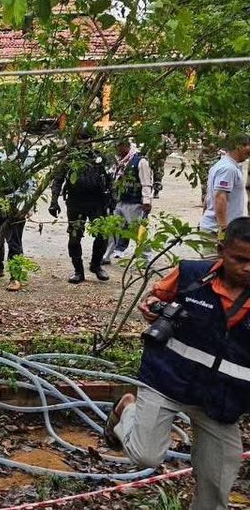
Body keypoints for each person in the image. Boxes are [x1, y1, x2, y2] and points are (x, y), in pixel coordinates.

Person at [104, 217, 250, 510]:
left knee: (216, 482)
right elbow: (155, 298)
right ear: (221, 250)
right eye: (240, 259)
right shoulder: (190, 275)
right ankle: (126, 407)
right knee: (146, 455)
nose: (248, 268)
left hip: (221, 399)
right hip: (167, 380)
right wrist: (150, 307)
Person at [49, 129, 114, 283]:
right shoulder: (70, 158)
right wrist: (54, 201)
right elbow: (58, 179)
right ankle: (78, 271)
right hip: (76, 202)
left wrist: (113, 197)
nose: (84, 142)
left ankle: (96, 265)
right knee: (74, 238)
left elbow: (111, 178)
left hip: (97, 202)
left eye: (87, 138)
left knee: (102, 236)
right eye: (81, 138)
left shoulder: (100, 157)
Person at [0, 144, 37, 291]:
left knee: (14, 242)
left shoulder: (26, 156)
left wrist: (26, 207)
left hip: (15, 204)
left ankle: (15, 276)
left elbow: (30, 184)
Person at [108, 138, 154, 260]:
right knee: (113, 228)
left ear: (126, 146)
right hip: (120, 200)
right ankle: (106, 255)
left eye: (119, 146)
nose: (117, 150)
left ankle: (146, 257)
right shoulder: (120, 162)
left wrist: (146, 201)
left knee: (138, 229)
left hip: (135, 202)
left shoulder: (140, 161)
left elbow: (146, 182)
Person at [199, 134, 250, 235]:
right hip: (218, 231)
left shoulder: (224, 165)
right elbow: (220, 198)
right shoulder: (228, 169)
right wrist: (223, 228)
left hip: (214, 228)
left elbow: (208, 197)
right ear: (239, 146)